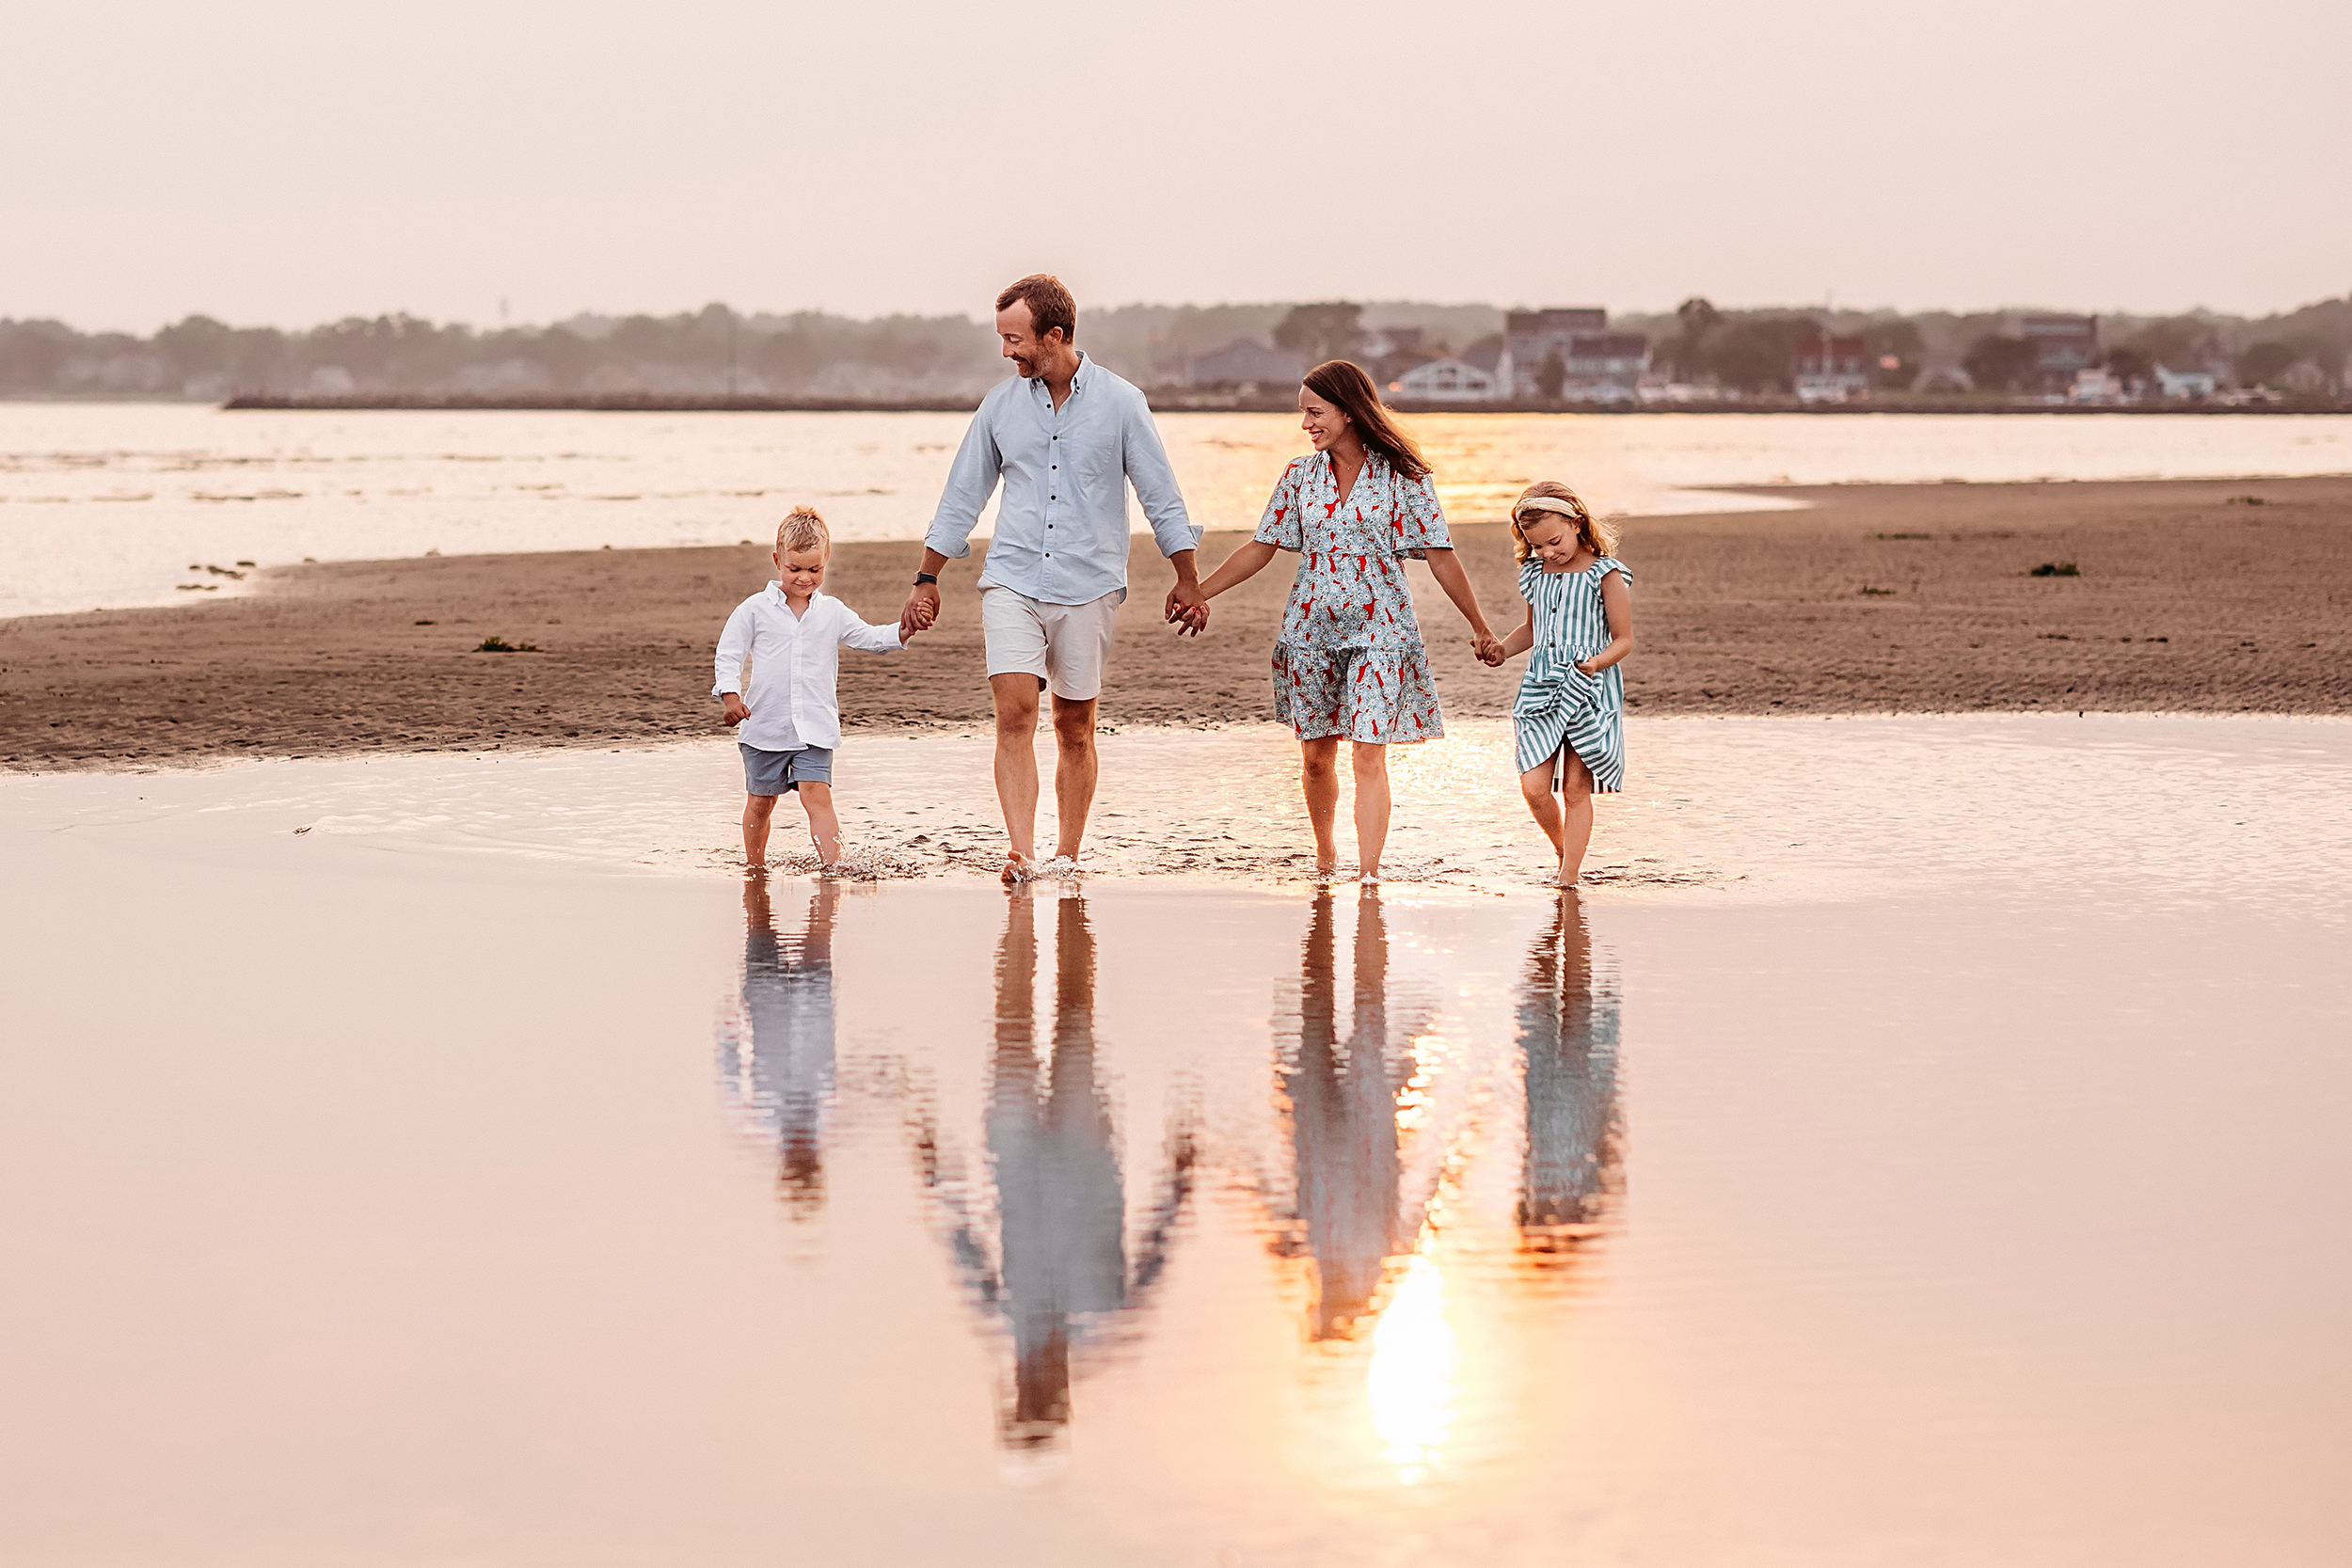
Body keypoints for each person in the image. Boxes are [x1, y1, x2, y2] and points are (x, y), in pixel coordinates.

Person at [899, 274, 1205, 883]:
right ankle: (1023, 852)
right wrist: (926, 577)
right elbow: (964, 493)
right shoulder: (999, 406)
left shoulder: (1123, 404)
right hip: (1011, 579)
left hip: (1089, 587)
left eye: (1015, 339)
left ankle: (1066, 856)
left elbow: (1161, 496)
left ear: (1055, 335)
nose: (1006, 351)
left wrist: (1188, 579)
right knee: (1014, 713)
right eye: (1002, 339)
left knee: (1073, 725)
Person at [1191, 359, 1500, 881]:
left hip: (1382, 628)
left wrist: (1480, 625)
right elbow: (1262, 546)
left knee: (1368, 753)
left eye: (1315, 412)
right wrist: (1199, 592)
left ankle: (1369, 874)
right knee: (1315, 758)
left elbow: (1441, 555)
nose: (1306, 424)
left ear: (1349, 412)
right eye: (1302, 414)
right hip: (1310, 631)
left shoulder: (1403, 477)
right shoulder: (1298, 475)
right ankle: (1326, 856)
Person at [715, 505, 912, 868]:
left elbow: (869, 637)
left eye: (814, 569)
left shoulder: (832, 611)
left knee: (817, 796)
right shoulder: (754, 610)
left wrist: (904, 629)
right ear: (778, 560)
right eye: (795, 569)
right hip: (765, 729)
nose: (804, 578)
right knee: (761, 801)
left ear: (826, 562)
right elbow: (729, 654)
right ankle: (755, 867)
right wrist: (730, 696)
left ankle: (834, 867)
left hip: (815, 730)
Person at [1486, 482, 1634, 885]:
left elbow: (1624, 639)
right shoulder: (1536, 574)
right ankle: (1563, 849)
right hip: (1541, 686)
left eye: (1554, 541)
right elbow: (1534, 629)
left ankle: (1568, 876)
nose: (1548, 552)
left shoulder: (1606, 574)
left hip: (1589, 687)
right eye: (1537, 547)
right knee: (1534, 787)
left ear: (1577, 522)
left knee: (1574, 789)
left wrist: (1596, 662)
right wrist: (1502, 649)